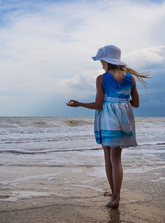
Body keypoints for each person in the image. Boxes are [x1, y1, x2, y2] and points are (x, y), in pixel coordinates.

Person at [66, 45, 151, 208]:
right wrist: (121, 102)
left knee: (108, 158)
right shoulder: (130, 78)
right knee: (116, 160)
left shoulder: (101, 78)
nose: (100, 63)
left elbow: (98, 105)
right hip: (124, 120)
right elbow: (136, 104)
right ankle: (114, 194)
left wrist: (79, 104)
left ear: (106, 60)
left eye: (101, 60)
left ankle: (115, 198)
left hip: (107, 120)